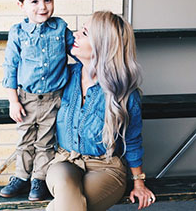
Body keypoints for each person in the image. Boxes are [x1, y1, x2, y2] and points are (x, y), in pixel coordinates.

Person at [45, 11, 156, 211]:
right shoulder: (65, 77)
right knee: (65, 189)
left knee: (68, 205)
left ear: (102, 46)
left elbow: (132, 140)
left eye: (85, 33)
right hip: (65, 161)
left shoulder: (125, 95)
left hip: (107, 168)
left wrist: (139, 183)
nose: (75, 35)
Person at [0, 0, 74, 201]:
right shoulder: (18, 33)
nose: (42, 7)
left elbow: (79, 50)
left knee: (45, 143)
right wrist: (13, 101)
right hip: (26, 99)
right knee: (25, 140)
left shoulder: (60, 28)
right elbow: (10, 67)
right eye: (34, 1)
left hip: (54, 99)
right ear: (21, 5)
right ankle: (22, 177)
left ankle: (38, 180)